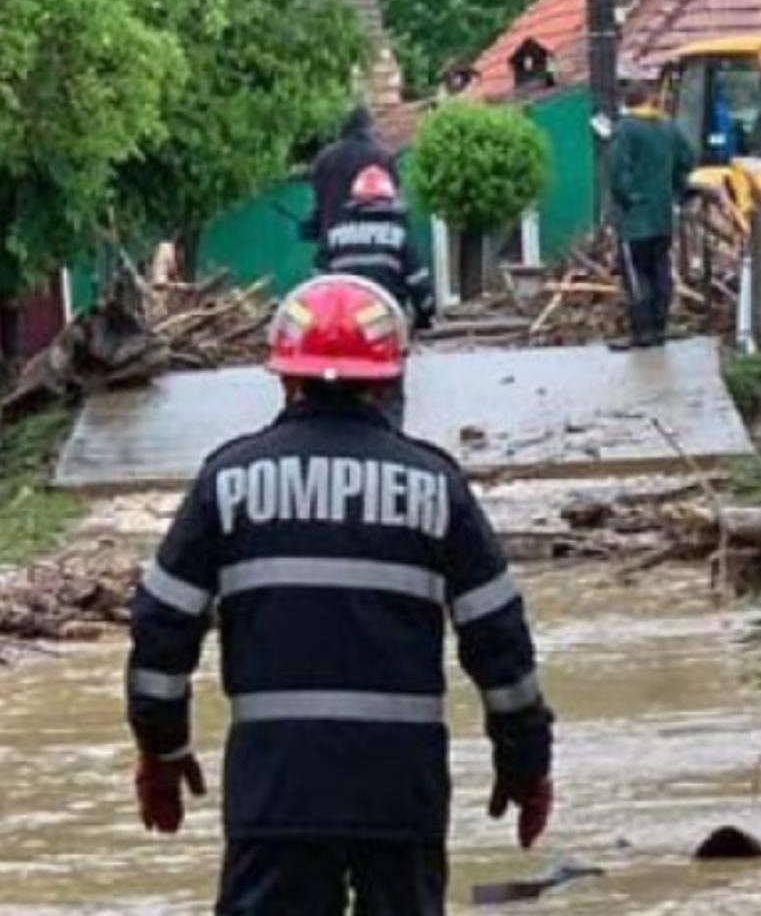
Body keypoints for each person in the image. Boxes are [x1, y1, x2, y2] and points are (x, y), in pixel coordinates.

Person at [125, 275, 554, 916]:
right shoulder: (436, 486)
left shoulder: (227, 482)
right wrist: (525, 763)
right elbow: (500, 643)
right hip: (400, 798)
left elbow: (161, 635)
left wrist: (162, 752)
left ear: (284, 379)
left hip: (277, 796)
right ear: (388, 380)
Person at [306, 107, 437, 330]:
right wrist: (425, 314)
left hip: (337, 250)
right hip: (385, 305)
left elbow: (316, 285)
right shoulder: (382, 156)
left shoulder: (325, 159)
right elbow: (417, 281)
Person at [609, 82, 695, 350]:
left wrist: (626, 198)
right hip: (663, 216)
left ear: (627, 102)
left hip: (635, 219)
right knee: (660, 270)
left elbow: (617, 170)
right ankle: (660, 327)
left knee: (636, 274)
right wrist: (677, 191)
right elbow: (687, 159)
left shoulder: (625, 129)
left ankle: (642, 330)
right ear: (651, 100)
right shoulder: (669, 127)